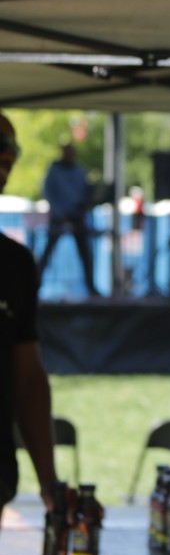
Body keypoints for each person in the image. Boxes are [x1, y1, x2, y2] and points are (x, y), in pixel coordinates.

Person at [0, 111, 58, 522]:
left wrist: (49, 482)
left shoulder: (14, 263)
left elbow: (28, 379)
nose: (8, 157)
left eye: (12, 150)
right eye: (0, 146)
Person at [37, 140, 99, 297]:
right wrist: (60, 213)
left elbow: (85, 193)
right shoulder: (54, 171)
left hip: (77, 216)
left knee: (85, 253)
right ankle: (35, 284)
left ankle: (90, 286)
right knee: (48, 251)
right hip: (59, 217)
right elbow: (48, 193)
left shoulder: (79, 171)